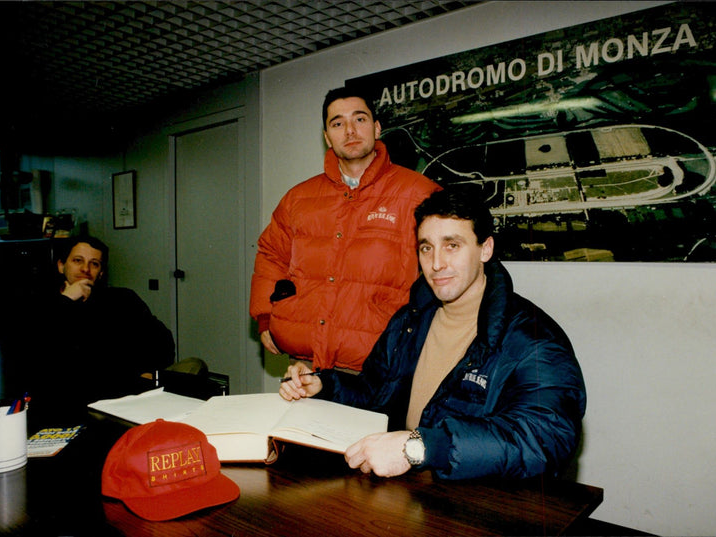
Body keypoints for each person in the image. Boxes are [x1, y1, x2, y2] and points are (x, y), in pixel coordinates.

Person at [280, 188, 586, 480]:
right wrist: (323, 384)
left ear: (486, 249)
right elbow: (375, 392)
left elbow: (545, 440)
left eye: (452, 245)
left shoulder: (535, 340)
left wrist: (421, 447)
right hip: (406, 494)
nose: (437, 264)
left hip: (480, 508)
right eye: (427, 247)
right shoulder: (410, 320)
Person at [250, 86, 440, 372]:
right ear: (327, 137)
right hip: (305, 364)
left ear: (377, 128)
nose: (349, 130)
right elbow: (271, 254)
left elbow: (449, 266)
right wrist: (266, 315)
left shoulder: (418, 194)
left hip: (379, 368)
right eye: (337, 123)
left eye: (359, 119)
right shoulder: (299, 198)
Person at [19, 236, 175, 426]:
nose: (85, 269)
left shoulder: (122, 300)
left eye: (94, 264)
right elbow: (31, 357)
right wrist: (66, 301)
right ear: (61, 266)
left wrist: (148, 370)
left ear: (101, 273)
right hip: (63, 407)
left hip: (121, 402)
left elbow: (163, 343)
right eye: (78, 261)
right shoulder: (39, 306)